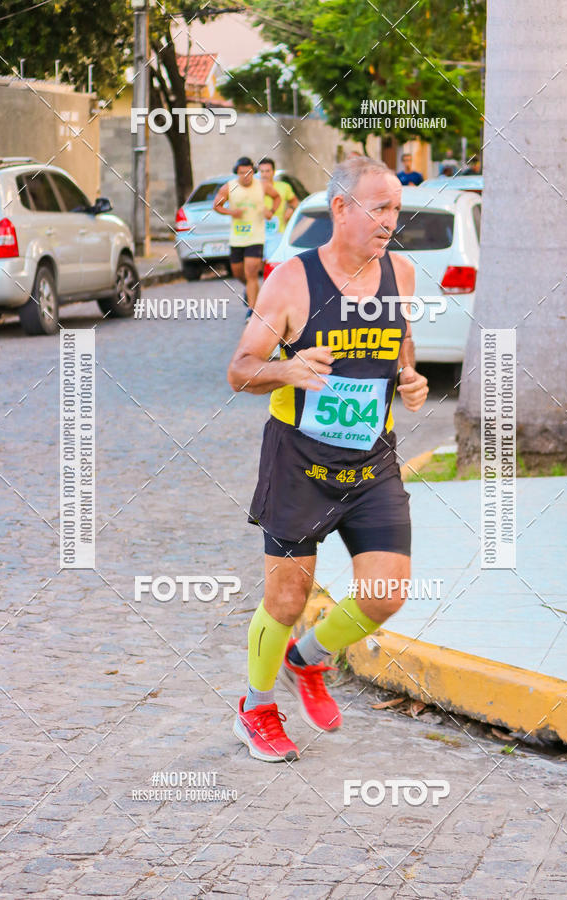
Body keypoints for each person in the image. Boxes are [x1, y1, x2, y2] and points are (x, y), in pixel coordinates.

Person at [227, 156, 429, 762]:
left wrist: (410, 377)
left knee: (387, 591)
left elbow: (402, 343)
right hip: (299, 462)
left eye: (396, 208)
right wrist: (286, 367)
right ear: (341, 208)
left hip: (372, 460)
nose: (391, 220)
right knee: (287, 599)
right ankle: (256, 708)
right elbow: (240, 370)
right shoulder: (292, 279)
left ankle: (305, 660)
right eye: (379, 207)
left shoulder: (402, 273)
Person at [213, 157, 280, 312]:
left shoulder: (262, 186)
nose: (246, 176)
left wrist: (271, 212)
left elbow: (277, 197)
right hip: (237, 238)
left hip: (256, 236)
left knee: (251, 272)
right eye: (242, 173)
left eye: (249, 172)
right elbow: (216, 205)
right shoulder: (229, 187)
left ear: (253, 172)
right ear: (237, 172)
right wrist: (231, 212)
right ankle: (252, 291)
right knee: (238, 273)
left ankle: (252, 310)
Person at [258, 157, 299, 247]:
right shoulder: (254, 188)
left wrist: (290, 210)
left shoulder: (284, 187)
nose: (264, 174)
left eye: (267, 171)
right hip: (257, 233)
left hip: (278, 232)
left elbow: (294, 201)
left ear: (273, 172)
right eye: (262, 171)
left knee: (275, 261)